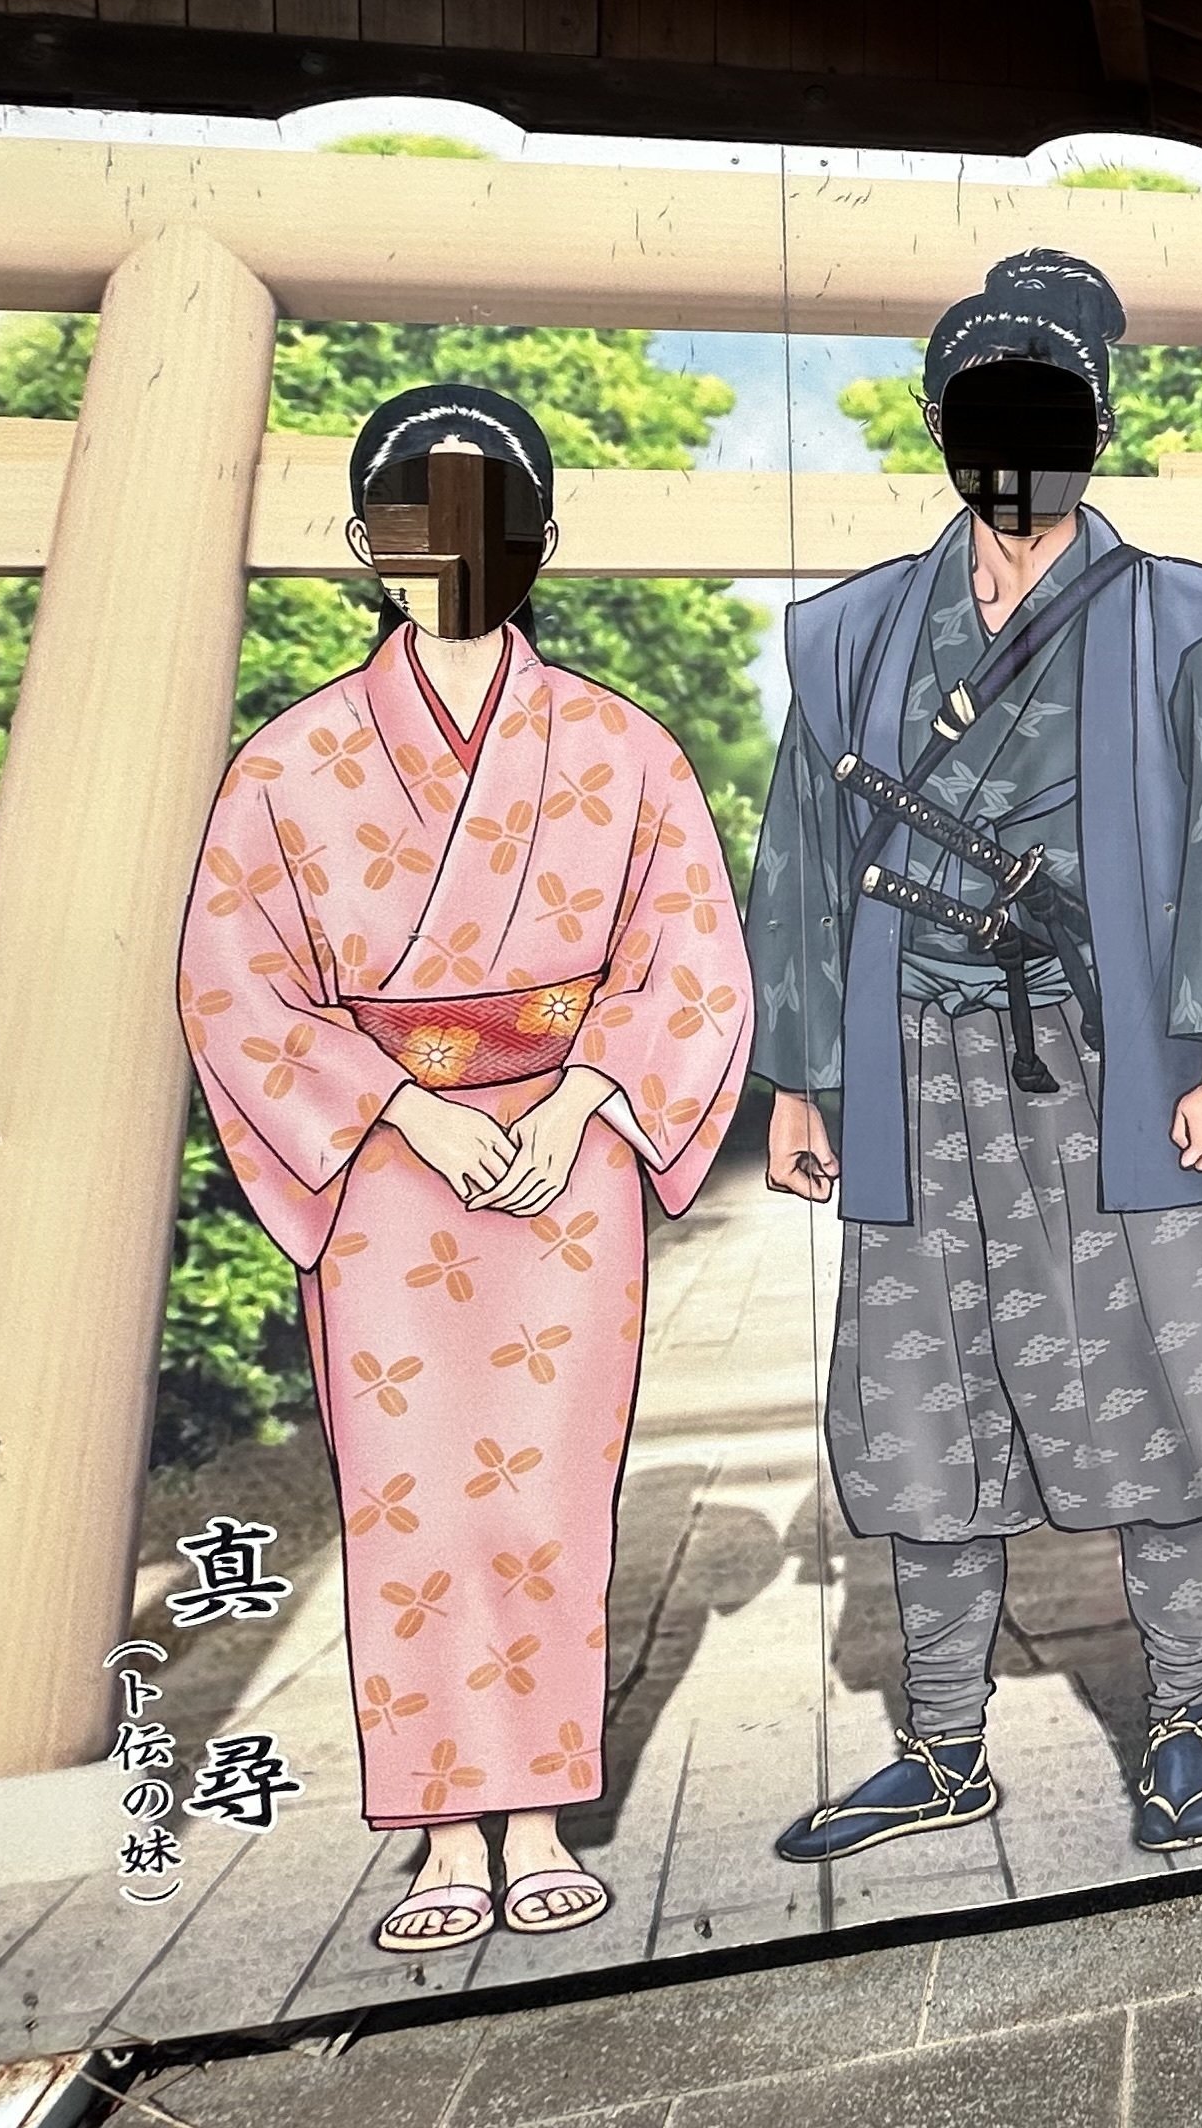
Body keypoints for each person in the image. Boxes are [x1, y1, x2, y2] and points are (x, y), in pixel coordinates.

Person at [745, 248, 1202, 1865]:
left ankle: (1182, 1727)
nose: (1011, 447)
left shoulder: (1181, 617)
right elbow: (803, 850)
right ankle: (942, 1744)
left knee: (1160, 1387)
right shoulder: (858, 631)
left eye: (1044, 410)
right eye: (982, 412)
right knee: (927, 1406)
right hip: (915, 1055)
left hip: (1116, 1057)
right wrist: (801, 1071)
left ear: (1088, 424)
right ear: (947, 428)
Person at [176, 385, 753, 1957]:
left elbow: (689, 958)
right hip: (385, 1172)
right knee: (415, 1498)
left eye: (486, 521)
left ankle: (542, 1808)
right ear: (367, 547)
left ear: (540, 543)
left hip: (565, 1169)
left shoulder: (622, 750)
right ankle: (440, 1828)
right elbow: (236, 981)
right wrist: (400, 1110)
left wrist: (576, 1104)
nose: (451, 554)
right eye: (413, 524)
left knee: (549, 1488)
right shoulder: (288, 768)